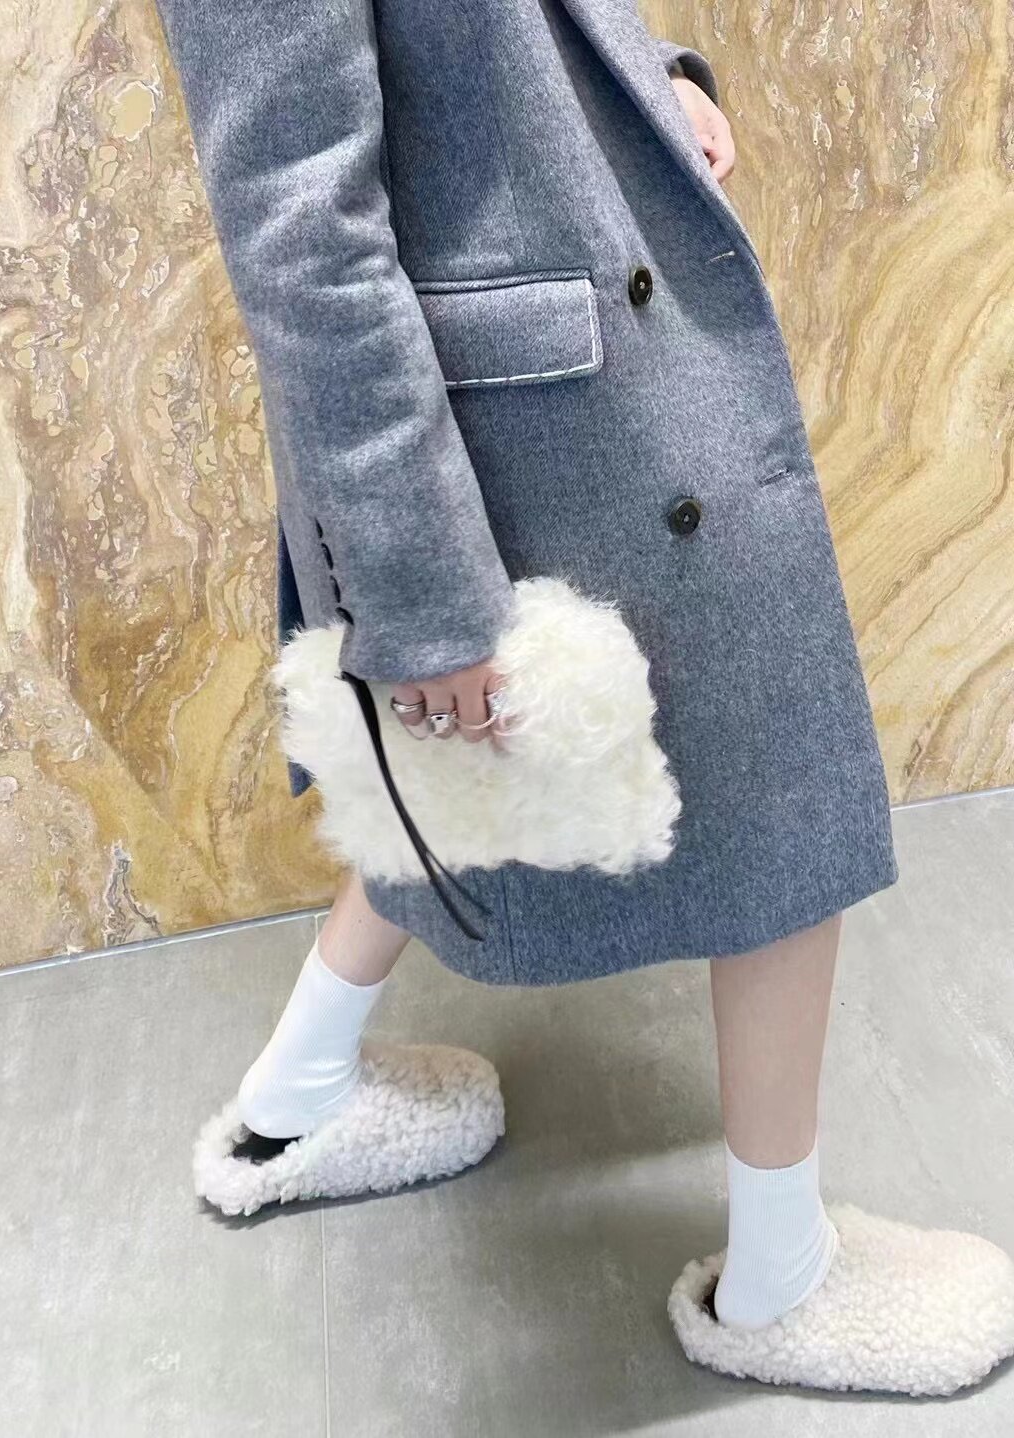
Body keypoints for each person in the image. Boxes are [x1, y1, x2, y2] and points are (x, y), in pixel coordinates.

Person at [155, 0, 1014, 1396]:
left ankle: (295, 1097)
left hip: (567, 355)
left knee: (461, 782)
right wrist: (423, 593)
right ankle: (782, 1282)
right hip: (507, 434)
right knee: (774, 780)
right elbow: (302, 233)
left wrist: (649, 73)